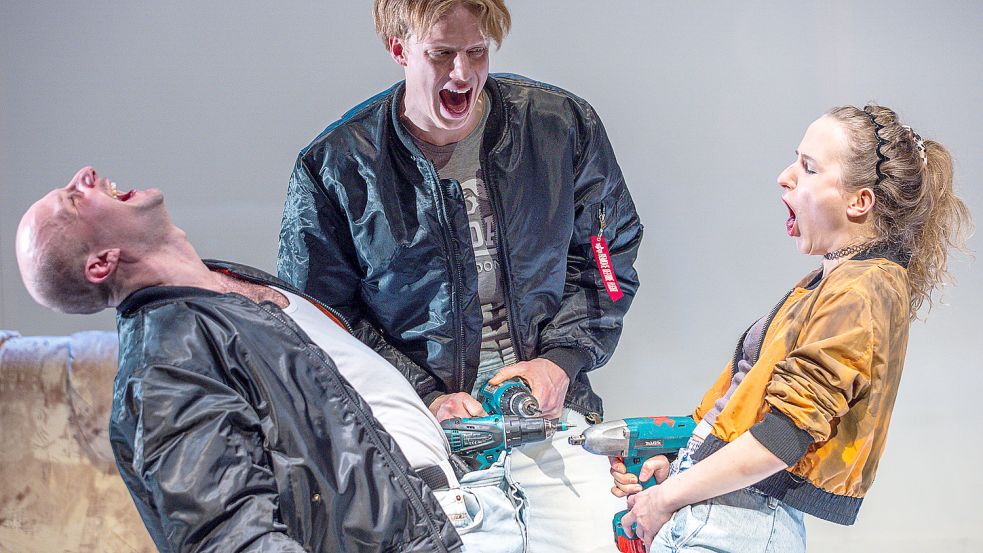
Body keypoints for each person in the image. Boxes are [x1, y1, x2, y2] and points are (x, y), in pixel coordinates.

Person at [277, 2, 641, 550]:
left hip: (549, 415)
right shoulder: (336, 167)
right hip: (418, 434)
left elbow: (607, 261)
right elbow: (320, 322)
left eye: (476, 52)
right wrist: (424, 395)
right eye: (441, 54)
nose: (462, 74)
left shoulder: (560, 125)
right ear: (399, 50)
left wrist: (559, 361)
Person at [15, 166, 527, 553]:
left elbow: (344, 406)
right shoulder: (164, 364)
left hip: (467, 506)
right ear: (101, 262)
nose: (85, 177)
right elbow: (232, 535)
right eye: (72, 201)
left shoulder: (227, 290)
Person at [609, 104, 972, 551]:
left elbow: (784, 436)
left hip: (738, 524)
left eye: (809, 168)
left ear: (859, 201)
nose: (785, 176)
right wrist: (684, 464)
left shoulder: (863, 290)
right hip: (728, 515)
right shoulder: (838, 282)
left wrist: (663, 500)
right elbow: (749, 411)